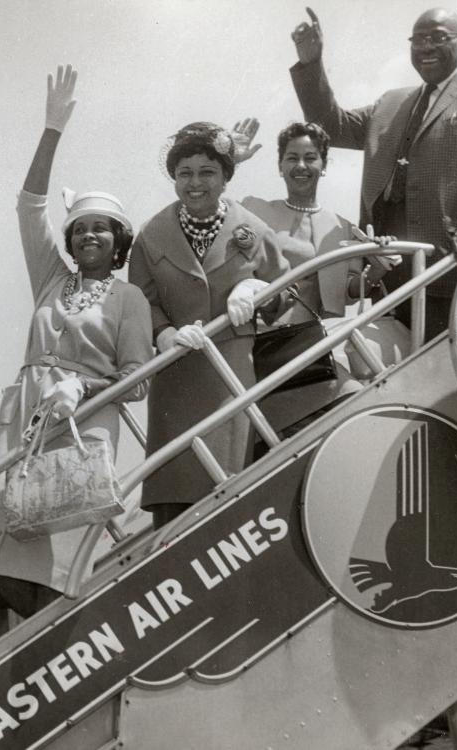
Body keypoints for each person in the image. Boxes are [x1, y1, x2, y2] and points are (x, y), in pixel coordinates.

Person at [0, 65, 153, 616]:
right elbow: (28, 207)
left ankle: (56, 643)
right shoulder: (51, 278)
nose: (90, 234)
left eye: (102, 228)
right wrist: (53, 129)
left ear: (118, 242)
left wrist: (81, 390)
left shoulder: (129, 299)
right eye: (81, 227)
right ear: (70, 240)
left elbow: (136, 381)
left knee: (54, 558)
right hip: (24, 413)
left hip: (81, 422)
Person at [289, 6, 457, 338]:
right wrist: (311, 63)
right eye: (418, 39)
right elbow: (332, 126)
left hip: (447, 269)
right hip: (386, 270)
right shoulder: (391, 102)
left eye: (438, 38)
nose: (426, 47)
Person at [128, 121, 289, 529]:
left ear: (225, 177)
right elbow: (141, 300)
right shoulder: (150, 235)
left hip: (231, 377)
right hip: (176, 382)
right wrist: (163, 333)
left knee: (235, 500)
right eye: (184, 173)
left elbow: (286, 292)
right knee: (176, 500)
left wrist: (255, 289)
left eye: (207, 172)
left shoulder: (254, 228)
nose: (195, 183)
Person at [240, 120, 395, 439]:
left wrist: (379, 267)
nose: (301, 166)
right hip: (266, 344)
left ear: (324, 165)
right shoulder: (253, 211)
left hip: (318, 347)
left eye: (311, 157)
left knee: (356, 411)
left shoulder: (342, 226)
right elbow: (214, 218)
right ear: (280, 165)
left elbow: (351, 291)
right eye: (291, 157)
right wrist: (229, 161)